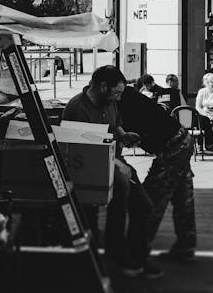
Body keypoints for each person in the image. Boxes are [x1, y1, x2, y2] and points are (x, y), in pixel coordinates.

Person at [62, 65, 163, 278]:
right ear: (103, 86)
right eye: (116, 93)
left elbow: (115, 125)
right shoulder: (77, 108)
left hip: (114, 159)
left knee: (144, 206)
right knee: (121, 190)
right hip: (92, 166)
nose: (118, 99)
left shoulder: (109, 102)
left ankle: (137, 255)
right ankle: (116, 254)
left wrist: (123, 135)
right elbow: (85, 148)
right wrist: (118, 165)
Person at [118, 85, 197, 263]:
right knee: (182, 196)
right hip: (182, 139)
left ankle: (137, 249)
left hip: (172, 146)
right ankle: (186, 246)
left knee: (152, 197)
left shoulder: (122, 101)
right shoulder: (129, 95)